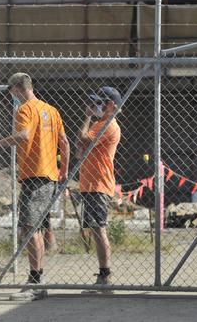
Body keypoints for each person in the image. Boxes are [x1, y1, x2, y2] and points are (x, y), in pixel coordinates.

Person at [0, 72, 70, 301]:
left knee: (30, 228)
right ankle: (37, 279)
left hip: (34, 176)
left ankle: (36, 281)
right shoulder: (52, 110)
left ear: (17, 88)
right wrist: (63, 171)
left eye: (11, 93)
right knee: (36, 228)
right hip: (49, 176)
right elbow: (64, 143)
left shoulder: (25, 110)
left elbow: (24, 136)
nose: (11, 97)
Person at [77, 86, 122, 292]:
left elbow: (84, 139)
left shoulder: (108, 125)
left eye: (100, 102)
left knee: (98, 227)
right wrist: (85, 135)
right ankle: (103, 274)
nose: (95, 106)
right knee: (95, 228)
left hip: (99, 183)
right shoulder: (100, 124)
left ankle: (105, 275)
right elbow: (81, 149)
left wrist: (86, 118)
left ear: (111, 105)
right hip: (90, 183)